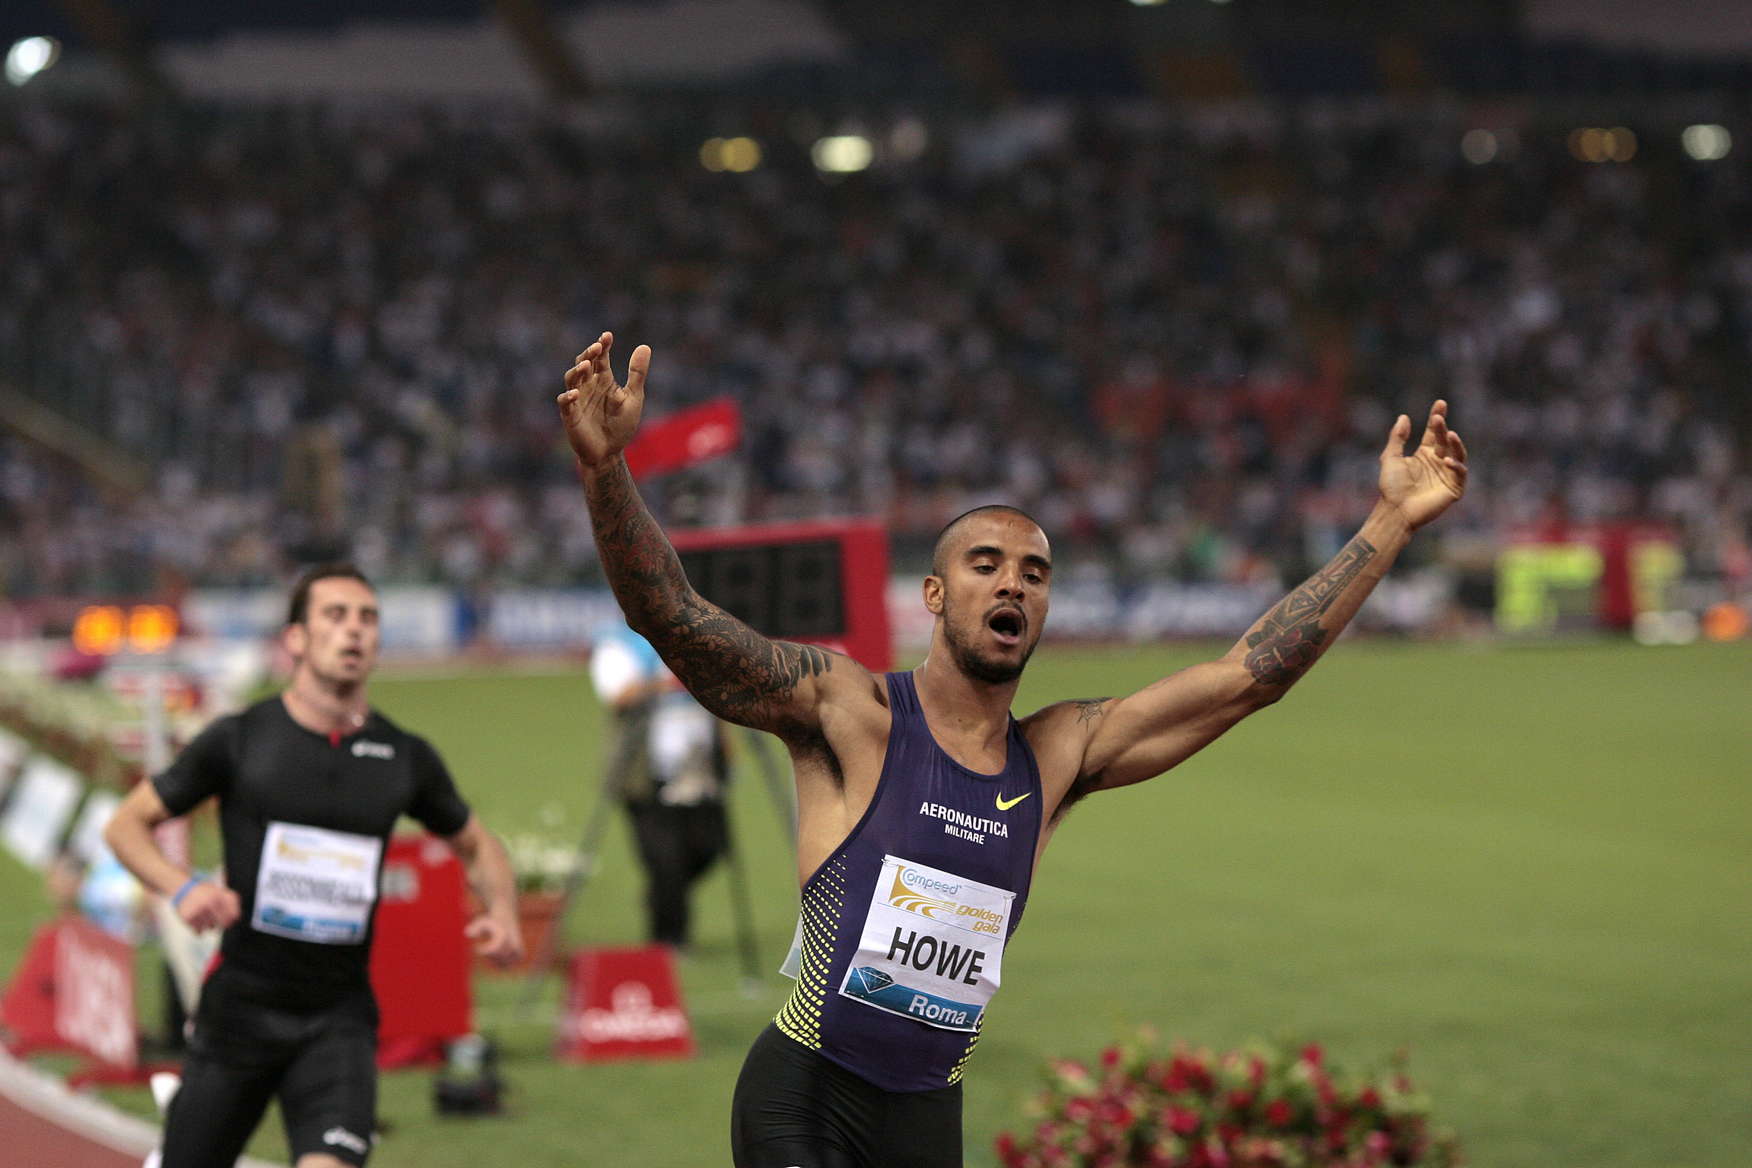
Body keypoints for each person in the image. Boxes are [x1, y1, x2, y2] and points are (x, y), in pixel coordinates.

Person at [557, 332, 1468, 1168]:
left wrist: (1389, 522)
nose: (1014, 585)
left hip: (927, 1116)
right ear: (934, 595)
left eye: (1035, 573)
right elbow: (673, 618)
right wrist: (605, 470)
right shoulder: (851, 712)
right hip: (805, 1095)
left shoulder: (1058, 754)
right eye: (985, 564)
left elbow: (1245, 678)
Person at [103, 564, 524, 1168]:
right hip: (240, 1012)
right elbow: (126, 825)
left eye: (368, 618)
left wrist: (503, 911)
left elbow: (478, 844)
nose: (354, 630)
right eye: (335, 615)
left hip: (337, 1019)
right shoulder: (240, 739)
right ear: (295, 639)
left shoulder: (403, 757)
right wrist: (182, 886)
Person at [588, 621, 730, 949]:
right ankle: (669, 942)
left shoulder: (697, 636)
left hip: (699, 770)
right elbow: (618, 695)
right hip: (645, 777)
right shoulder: (619, 644)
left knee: (710, 847)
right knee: (666, 861)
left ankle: (661, 896)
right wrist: (665, 683)